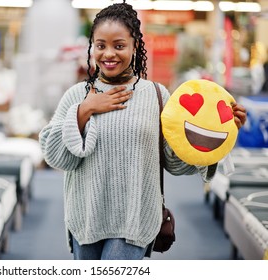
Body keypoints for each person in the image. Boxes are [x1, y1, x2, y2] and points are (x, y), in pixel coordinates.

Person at [38, 1, 247, 260]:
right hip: (86, 217)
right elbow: (54, 155)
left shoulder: (156, 96)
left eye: (119, 45)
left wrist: (221, 129)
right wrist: (84, 111)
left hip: (135, 220)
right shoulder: (77, 95)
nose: (108, 54)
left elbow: (174, 158)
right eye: (101, 45)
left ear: (135, 46)